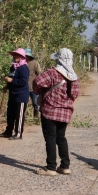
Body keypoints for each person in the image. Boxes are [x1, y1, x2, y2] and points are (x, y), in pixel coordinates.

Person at [33, 48, 80, 176]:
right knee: (61, 137)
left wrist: (40, 92)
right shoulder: (74, 77)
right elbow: (75, 94)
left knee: (50, 138)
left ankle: (51, 168)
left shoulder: (52, 73)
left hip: (50, 111)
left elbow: (37, 82)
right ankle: (65, 166)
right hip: (65, 113)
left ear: (59, 59)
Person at [3, 48, 30, 140]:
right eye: (15, 55)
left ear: (22, 57)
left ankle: (18, 133)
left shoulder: (24, 68)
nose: (16, 57)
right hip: (12, 94)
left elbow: (23, 81)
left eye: (18, 55)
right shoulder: (13, 67)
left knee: (19, 115)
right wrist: (7, 86)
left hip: (21, 95)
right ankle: (8, 131)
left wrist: (12, 80)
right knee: (10, 114)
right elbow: (11, 78)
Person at [25, 48, 42, 117]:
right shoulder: (22, 63)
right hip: (24, 87)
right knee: (23, 103)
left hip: (32, 87)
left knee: (35, 103)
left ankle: (36, 116)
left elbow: (39, 73)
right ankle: (22, 116)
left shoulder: (35, 63)